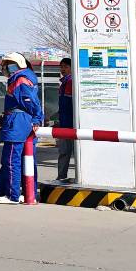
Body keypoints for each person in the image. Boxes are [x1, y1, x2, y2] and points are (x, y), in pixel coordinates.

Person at [0, 52, 43, 205]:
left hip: (17, 123)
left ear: (18, 64)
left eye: (8, 64)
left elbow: (30, 101)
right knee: (27, 160)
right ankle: (28, 193)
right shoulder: (24, 77)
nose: (5, 67)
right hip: (22, 121)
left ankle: (12, 195)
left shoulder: (20, 79)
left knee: (11, 160)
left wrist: (37, 116)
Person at [54, 56, 75, 184]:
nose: (63, 69)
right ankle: (61, 177)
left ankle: (62, 177)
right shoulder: (64, 83)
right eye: (61, 67)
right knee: (64, 152)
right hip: (65, 123)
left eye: (66, 67)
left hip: (72, 124)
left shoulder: (71, 82)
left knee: (66, 152)